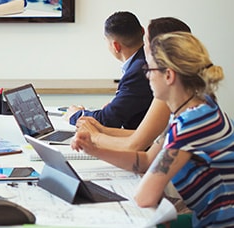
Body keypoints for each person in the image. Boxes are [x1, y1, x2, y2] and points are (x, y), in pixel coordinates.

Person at [72, 32, 233, 227]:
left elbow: (144, 197)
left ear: (168, 75)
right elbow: (147, 161)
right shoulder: (197, 106)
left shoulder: (190, 124)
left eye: (149, 69)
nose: (146, 76)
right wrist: (94, 150)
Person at [75, 17, 191, 150]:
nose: (143, 48)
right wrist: (99, 131)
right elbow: (144, 139)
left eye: (145, 42)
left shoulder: (172, 96)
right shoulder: (189, 93)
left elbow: (137, 146)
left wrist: (96, 136)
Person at [65, 11, 153, 129]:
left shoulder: (138, 70)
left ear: (116, 46)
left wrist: (76, 115)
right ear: (142, 31)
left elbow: (108, 120)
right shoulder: (142, 61)